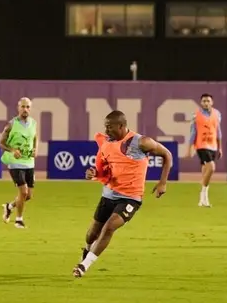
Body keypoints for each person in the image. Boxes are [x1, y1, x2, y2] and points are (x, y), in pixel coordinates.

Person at [73, 110, 173, 278]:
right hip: (108, 195)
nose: (106, 131)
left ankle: (84, 265)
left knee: (109, 227)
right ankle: (87, 251)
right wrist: (93, 173)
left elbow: (167, 154)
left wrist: (163, 182)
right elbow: (102, 169)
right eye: (105, 127)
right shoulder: (107, 143)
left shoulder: (141, 142)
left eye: (109, 127)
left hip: (131, 198)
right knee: (91, 235)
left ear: (121, 126)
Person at [0, 97, 38, 228]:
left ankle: (9, 207)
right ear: (18, 108)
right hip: (15, 162)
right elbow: (1, 143)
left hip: (29, 162)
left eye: (27, 107)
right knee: (23, 192)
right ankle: (19, 220)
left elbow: (35, 137)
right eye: (23, 106)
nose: (25, 109)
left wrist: (35, 148)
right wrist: (12, 150)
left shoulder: (33, 123)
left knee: (28, 196)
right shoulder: (11, 124)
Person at [187, 93, 222, 207]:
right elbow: (193, 132)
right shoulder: (196, 115)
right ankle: (203, 192)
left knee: (205, 169)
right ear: (201, 103)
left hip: (212, 145)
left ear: (212, 102)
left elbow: (218, 131)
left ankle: (203, 199)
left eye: (208, 101)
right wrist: (190, 147)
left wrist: (220, 147)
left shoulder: (217, 114)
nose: (206, 103)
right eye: (204, 101)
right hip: (201, 145)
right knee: (211, 167)